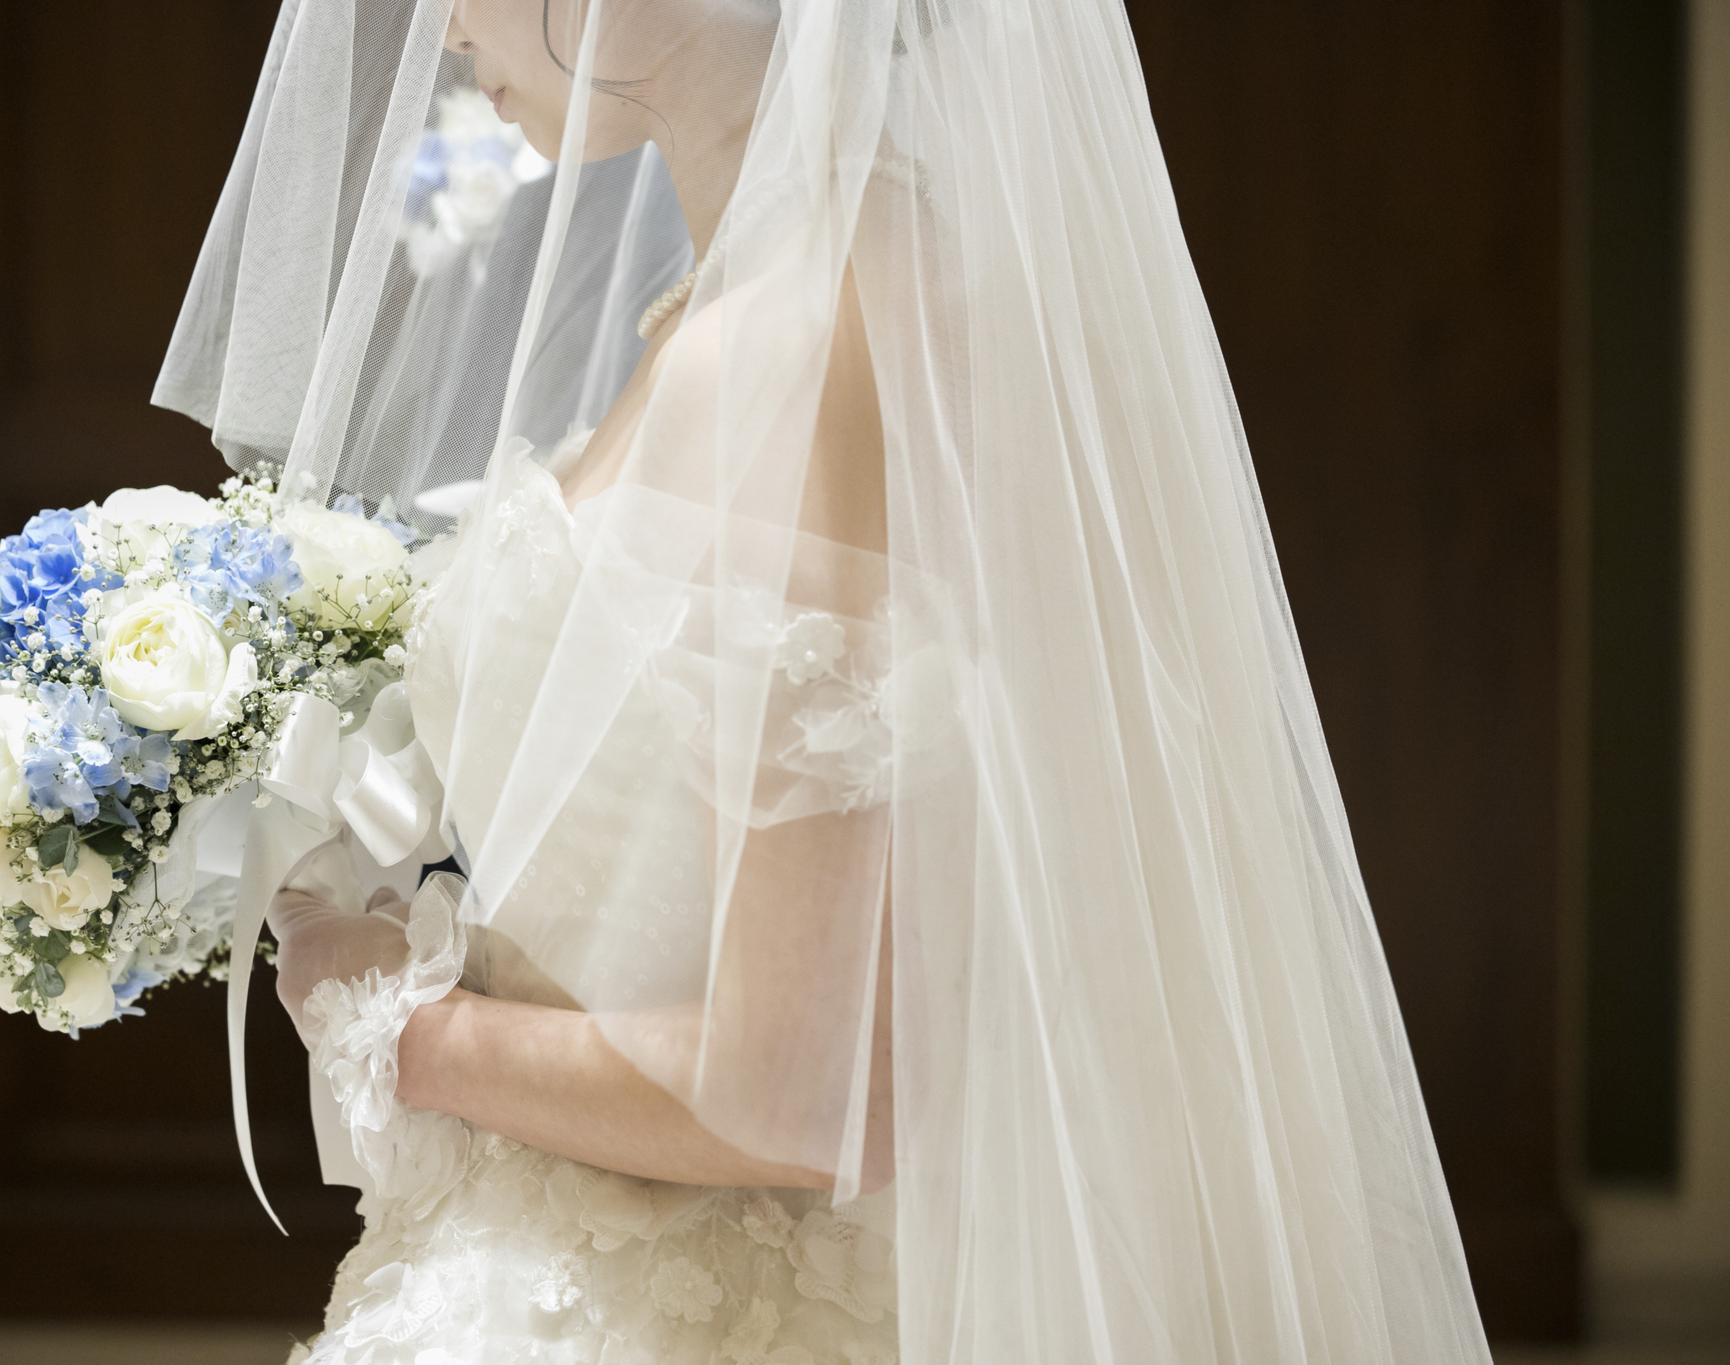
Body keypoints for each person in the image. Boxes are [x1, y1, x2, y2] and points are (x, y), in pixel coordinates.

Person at [153, 0, 1496, 1360]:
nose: (442, 28)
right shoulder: (767, 288)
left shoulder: (799, 337)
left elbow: (809, 1092)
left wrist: (393, 1016)